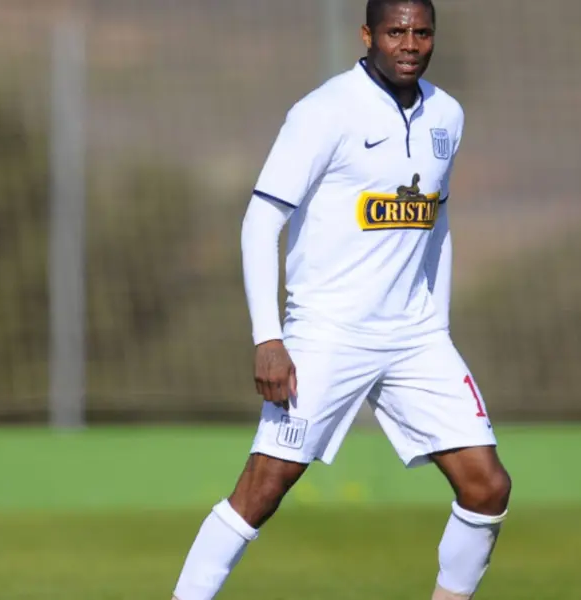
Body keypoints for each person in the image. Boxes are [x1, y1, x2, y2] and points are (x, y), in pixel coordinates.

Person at [170, 1, 511, 599]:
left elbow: (437, 221)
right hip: (327, 334)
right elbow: (259, 222)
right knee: (263, 489)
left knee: (487, 487)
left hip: (416, 339)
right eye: (396, 31)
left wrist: (438, 324)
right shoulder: (323, 111)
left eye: (422, 32)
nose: (410, 43)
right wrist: (268, 338)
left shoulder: (447, 116)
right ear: (368, 35)